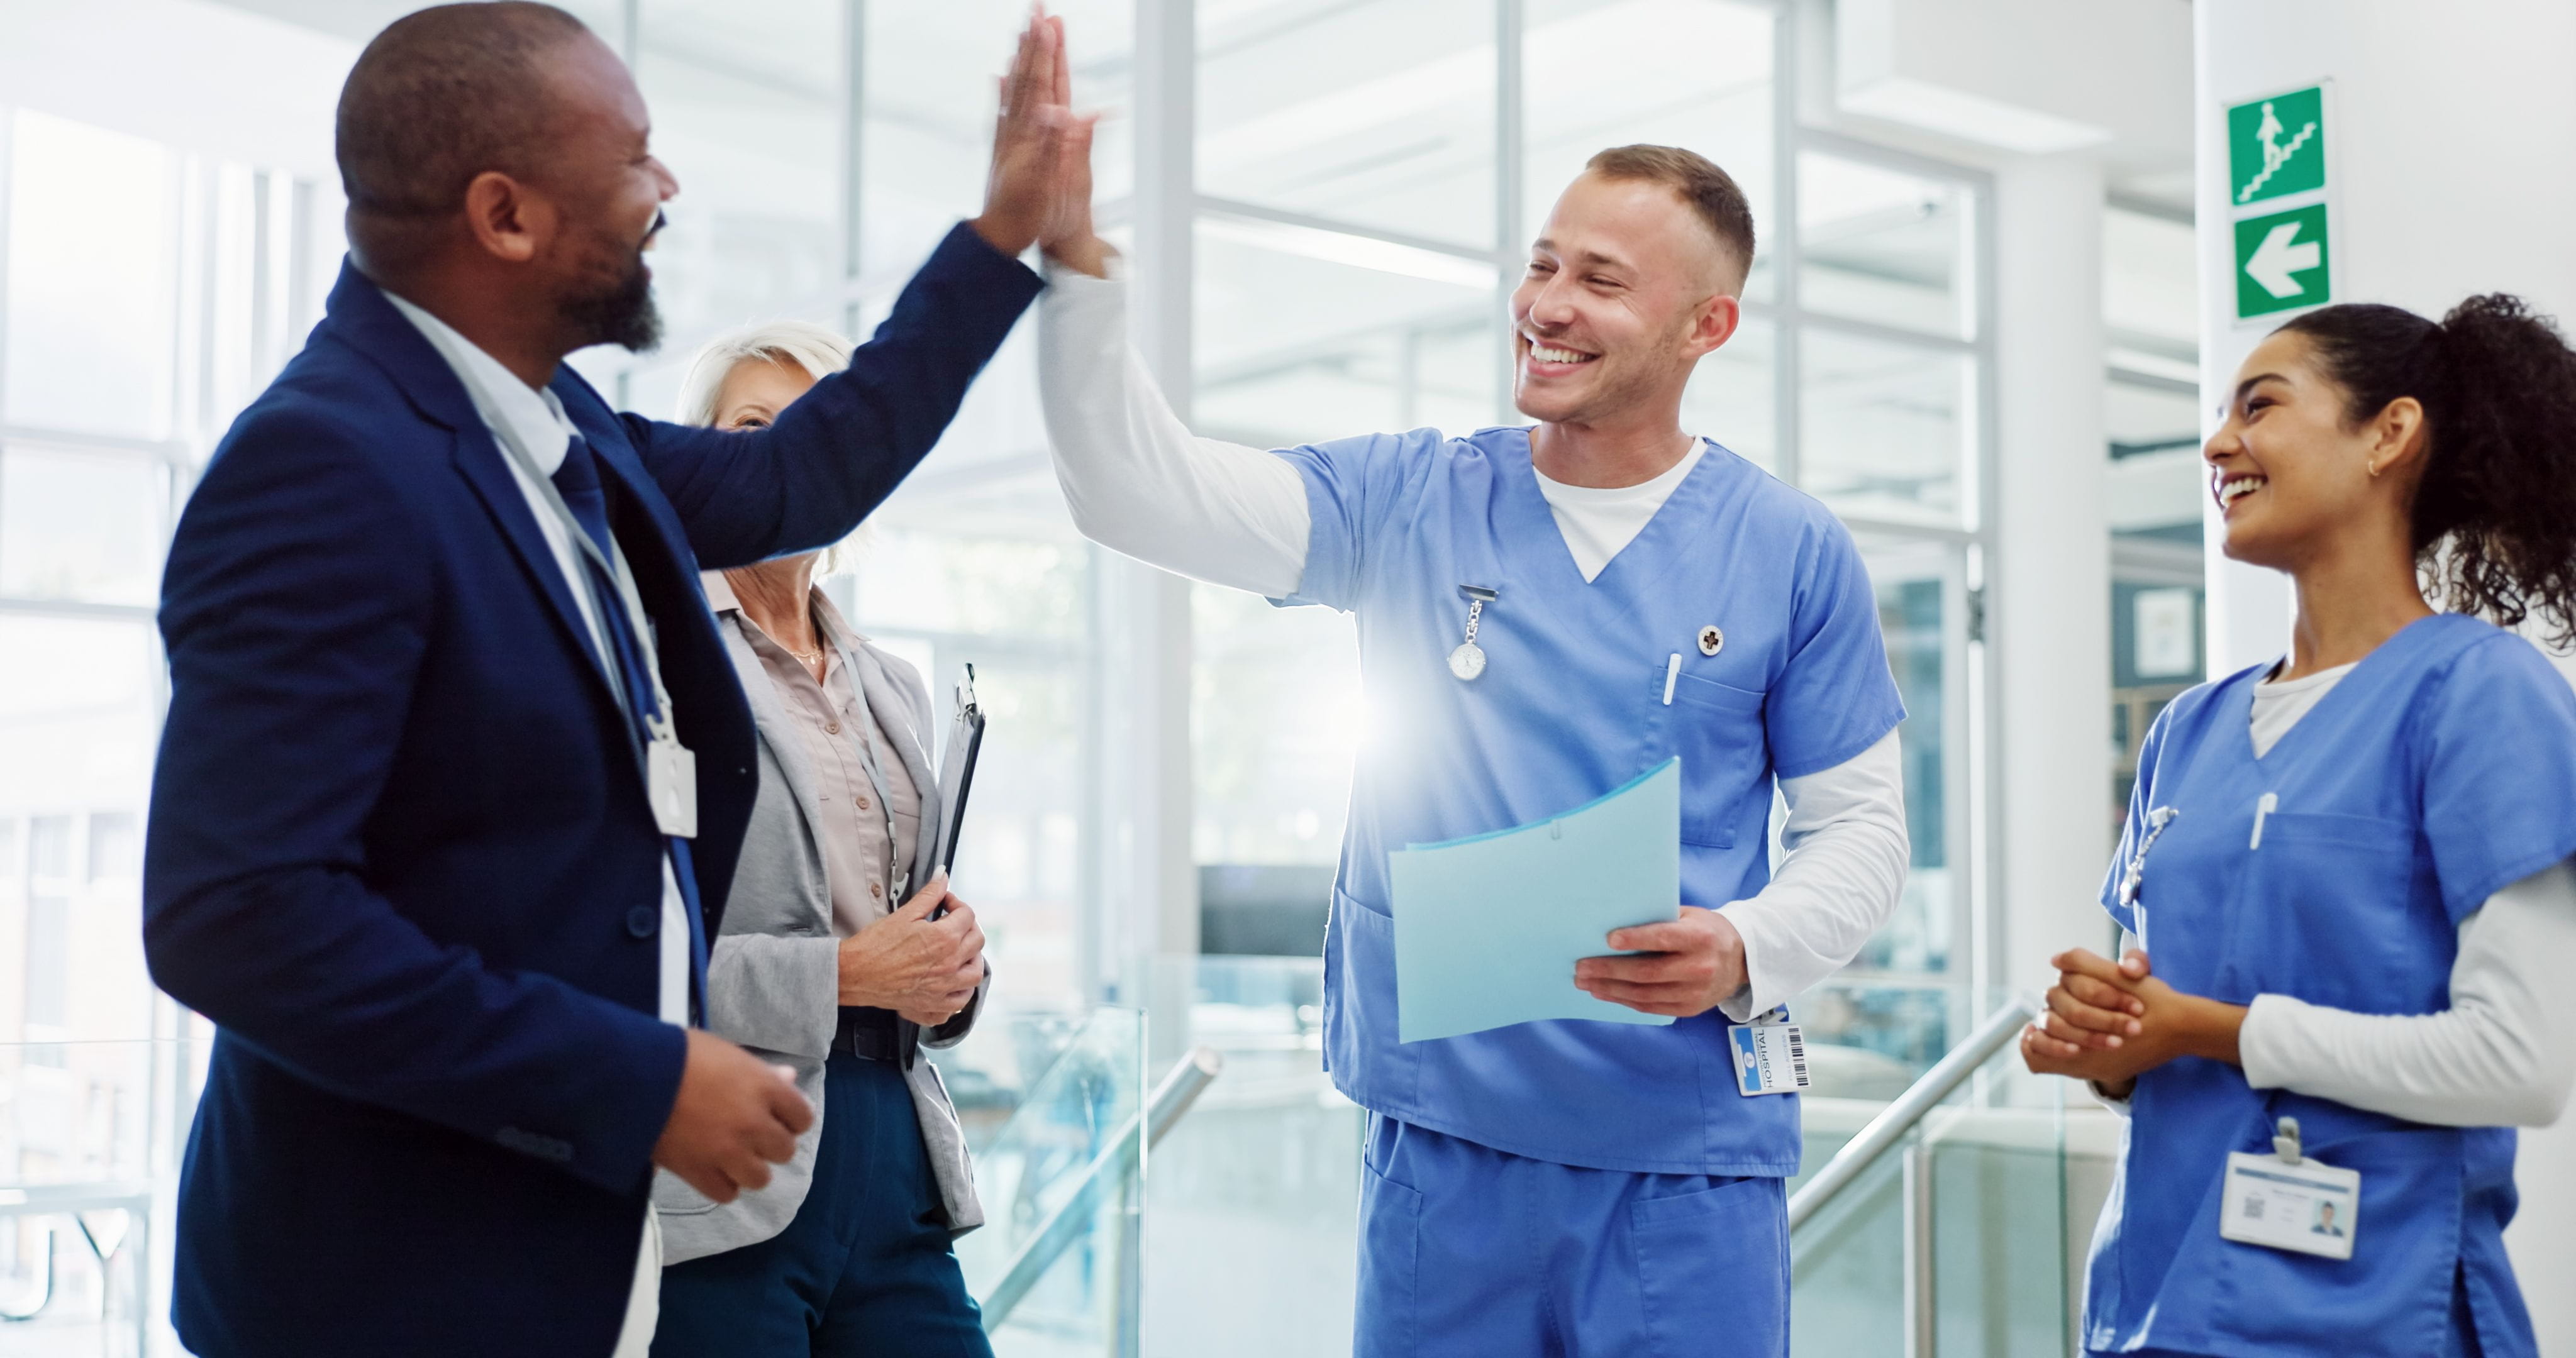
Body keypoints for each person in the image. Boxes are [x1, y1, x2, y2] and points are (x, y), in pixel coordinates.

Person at [139, 6, 1077, 1355]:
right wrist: (629, 1079)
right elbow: (237, 918)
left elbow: (797, 474)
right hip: (381, 1283)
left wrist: (996, 241)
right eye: (633, 157)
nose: (666, 189)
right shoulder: (324, 466)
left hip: (553, 1254)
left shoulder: (556, 430)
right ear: (505, 216)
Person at [1035, 126, 1911, 1355]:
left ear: (1703, 328)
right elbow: (1134, 490)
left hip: (1679, 1159)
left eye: (1599, 281)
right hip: (1445, 1150)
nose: (1546, 306)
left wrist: (1744, 944)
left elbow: (1860, 830)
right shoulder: (1409, 500)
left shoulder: (1786, 550)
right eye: (1540, 265)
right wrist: (1077, 273)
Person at [2022, 297, 2576, 1358]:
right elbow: (2155, 1016)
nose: (2218, 442)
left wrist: (2207, 1030)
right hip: (2160, 1301)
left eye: (2260, 406)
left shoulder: (2481, 695)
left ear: (2389, 434)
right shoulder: (2189, 729)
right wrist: (2112, 1050)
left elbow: (2521, 1063)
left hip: (2375, 1308)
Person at [647, 321, 995, 1356]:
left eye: (816, 430)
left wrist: (954, 973)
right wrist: (845, 974)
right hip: (730, 1159)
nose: (789, 458)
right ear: (699, 456)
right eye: (754, 427)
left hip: (897, 1151)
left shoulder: (894, 683)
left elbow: (908, 920)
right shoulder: (656, 661)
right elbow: (621, 952)